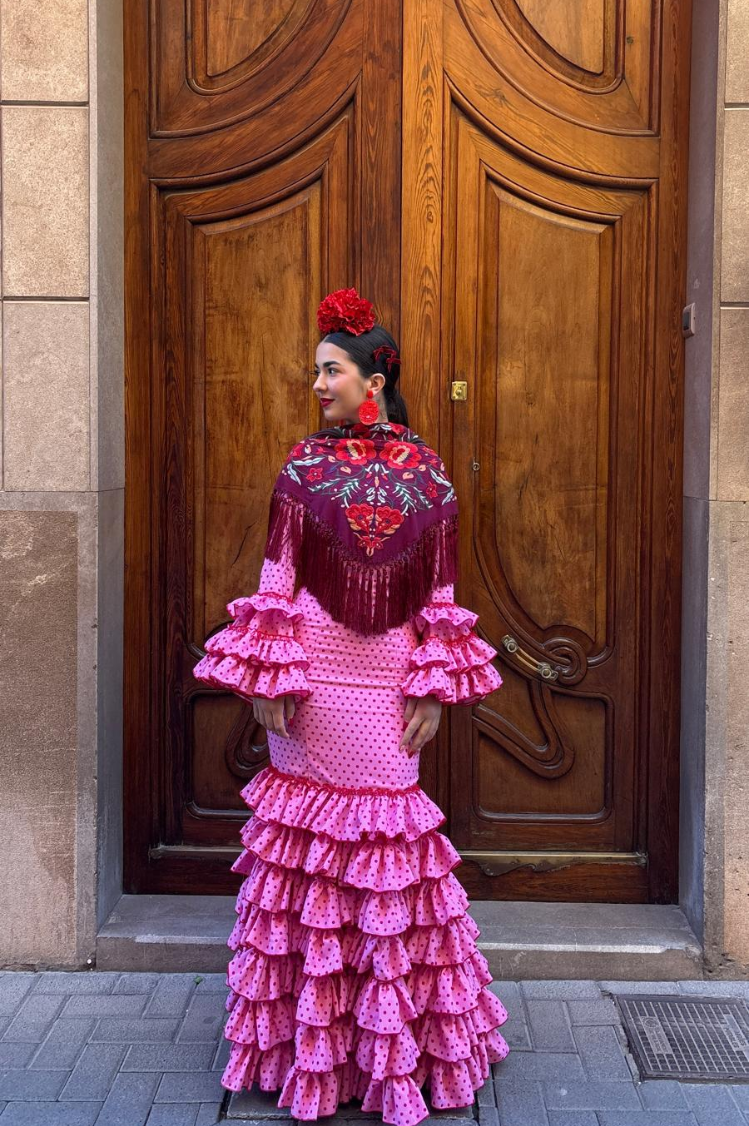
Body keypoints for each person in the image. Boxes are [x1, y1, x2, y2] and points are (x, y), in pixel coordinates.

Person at [192, 287, 510, 1126]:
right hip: (310, 678)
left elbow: (440, 590)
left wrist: (432, 689)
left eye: (329, 369)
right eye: (316, 370)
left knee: (386, 837)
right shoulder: (302, 465)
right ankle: (314, 1052)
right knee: (305, 847)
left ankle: (389, 1052)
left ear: (374, 379)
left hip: (386, 677)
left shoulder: (428, 469)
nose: (316, 383)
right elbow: (276, 578)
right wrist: (266, 679)